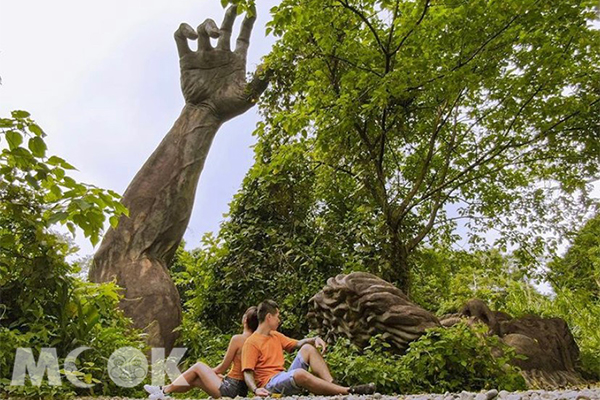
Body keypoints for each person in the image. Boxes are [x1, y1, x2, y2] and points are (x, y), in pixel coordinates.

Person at [242, 300, 376, 397]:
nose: (279, 320)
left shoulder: (275, 335)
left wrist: (314, 339)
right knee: (299, 373)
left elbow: (299, 344)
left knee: (307, 348)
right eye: (278, 316)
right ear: (269, 317)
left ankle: (333, 384)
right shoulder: (251, 342)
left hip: (283, 376)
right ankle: (347, 391)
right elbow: (247, 372)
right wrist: (255, 390)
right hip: (269, 384)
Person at [144, 306, 259, 399]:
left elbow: (222, 368)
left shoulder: (238, 339)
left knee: (198, 367)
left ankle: (163, 390)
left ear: (245, 320)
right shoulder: (256, 341)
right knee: (195, 379)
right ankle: (164, 390)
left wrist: (209, 372)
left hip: (231, 389)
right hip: (239, 388)